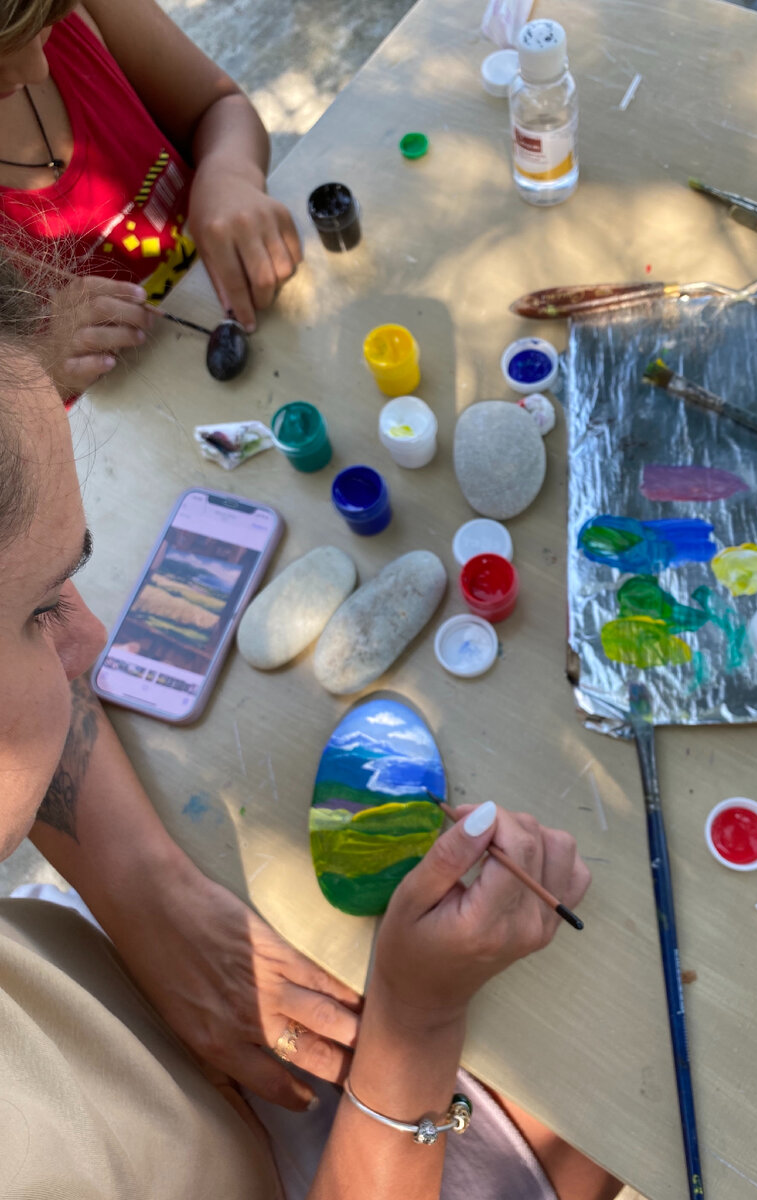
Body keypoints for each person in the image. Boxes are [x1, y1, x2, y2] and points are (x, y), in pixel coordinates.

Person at [0, 275, 622, 1196]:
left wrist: (148, 894)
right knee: (615, 1067)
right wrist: (413, 1028)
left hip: (157, 1016)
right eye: (40, 610)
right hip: (349, 1146)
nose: (89, 643)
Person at [0, 0, 302, 394]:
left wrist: (229, 173)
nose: (37, 69)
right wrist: (39, 370)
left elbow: (218, 105)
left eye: (44, 24)